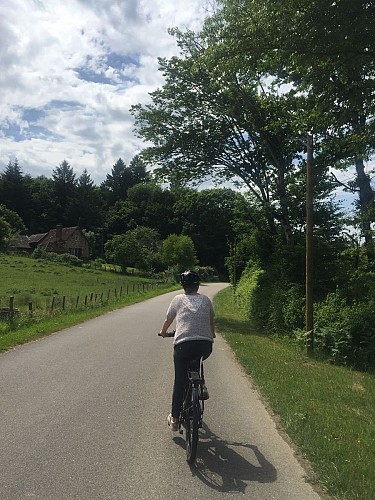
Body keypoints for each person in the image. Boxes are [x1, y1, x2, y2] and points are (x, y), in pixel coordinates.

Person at [159, 270, 216, 431]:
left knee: (180, 380)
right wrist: (212, 334)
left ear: (183, 286)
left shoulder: (178, 299)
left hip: (183, 345)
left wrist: (163, 333)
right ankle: (201, 385)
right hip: (205, 345)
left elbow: (168, 319)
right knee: (197, 358)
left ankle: (175, 419)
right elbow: (211, 320)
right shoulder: (206, 300)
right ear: (197, 285)